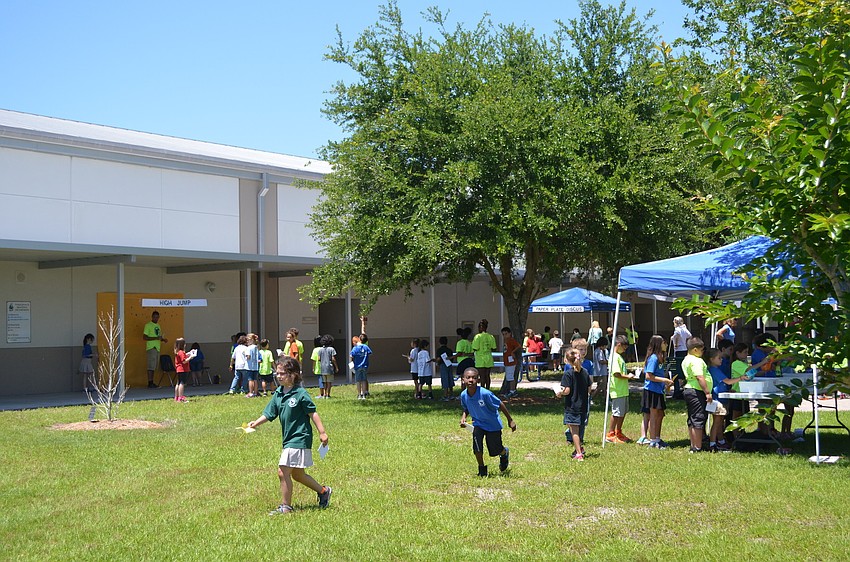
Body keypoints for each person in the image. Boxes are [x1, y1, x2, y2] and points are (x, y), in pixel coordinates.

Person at [247, 357, 331, 515]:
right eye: (277, 373)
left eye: (282, 373)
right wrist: (256, 423)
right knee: (298, 475)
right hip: (288, 439)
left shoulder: (300, 393)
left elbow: (313, 413)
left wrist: (322, 432)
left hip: (300, 437)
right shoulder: (279, 393)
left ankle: (286, 507)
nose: (278, 376)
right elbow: (269, 413)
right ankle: (324, 491)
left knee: (282, 471)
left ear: (293, 375)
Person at [459, 367, 516, 477]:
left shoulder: (485, 394)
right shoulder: (463, 395)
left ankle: (504, 453)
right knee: (477, 447)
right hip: (478, 424)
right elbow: (466, 408)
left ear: (478, 380)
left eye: (474, 378)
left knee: (495, 450)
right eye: (468, 377)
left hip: (492, 425)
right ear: (463, 379)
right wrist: (463, 417)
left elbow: (500, 404)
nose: (471, 380)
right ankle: (482, 470)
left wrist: (510, 420)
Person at [556, 346, 592, 461]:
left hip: (572, 406)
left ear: (566, 360)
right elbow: (589, 388)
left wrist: (560, 393)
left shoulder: (568, 374)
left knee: (574, 431)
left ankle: (579, 454)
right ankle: (579, 448)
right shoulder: (585, 372)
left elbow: (567, 391)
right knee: (579, 429)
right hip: (583, 405)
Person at [706, 348, 744, 452]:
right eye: (719, 358)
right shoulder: (714, 370)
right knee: (717, 422)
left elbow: (722, 384)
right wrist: (740, 378)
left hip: (721, 398)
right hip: (717, 400)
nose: (721, 360)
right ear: (712, 359)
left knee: (719, 422)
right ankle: (713, 443)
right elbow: (728, 381)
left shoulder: (715, 369)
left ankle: (721, 441)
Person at [639, 335, 674, 449]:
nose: (666, 345)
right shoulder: (653, 358)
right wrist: (664, 380)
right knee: (653, 415)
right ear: (658, 344)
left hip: (659, 390)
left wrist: (666, 383)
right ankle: (653, 441)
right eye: (664, 343)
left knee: (660, 414)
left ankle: (657, 438)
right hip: (651, 390)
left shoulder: (660, 358)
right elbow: (648, 376)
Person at [682, 337, 712, 453]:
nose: (703, 352)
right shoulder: (696, 361)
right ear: (695, 350)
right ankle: (697, 447)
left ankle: (693, 444)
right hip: (697, 391)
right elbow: (699, 377)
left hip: (689, 390)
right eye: (702, 350)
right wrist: (707, 392)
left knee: (692, 418)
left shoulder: (686, 359)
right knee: (698, 418)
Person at [606, 335, 636, 444]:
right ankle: (610, 434)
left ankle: (618, 432)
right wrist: (628, 376)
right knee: (617, 413)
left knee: (622, 412)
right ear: (618, 345)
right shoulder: (614, 357)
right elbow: (616, 374)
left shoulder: (619, 356)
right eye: (624, 348)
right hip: (617, 390)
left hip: (623, 389)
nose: (624, 350)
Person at [143, 310, 167, 388]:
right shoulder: (148, 325)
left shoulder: (158, 326)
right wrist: (155, 338)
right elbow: (145, 337)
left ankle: (152, 382)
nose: (156, 318)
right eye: (154, 317)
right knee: (150, 366)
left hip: (157, 348)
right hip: (151, 347)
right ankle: (150, 382)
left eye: (157, 317)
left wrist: (163, 339)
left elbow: (158, 337)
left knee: (154, 366)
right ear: (152, 317)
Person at [472, 319, 497, 390]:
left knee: (482, 376)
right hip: (488, 358)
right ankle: (488, 389)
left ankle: (482, 390)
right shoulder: (491, 336)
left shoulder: (477, 336)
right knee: (487, 375)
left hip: (480, 358)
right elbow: (494, 348)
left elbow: (475, 348)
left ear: (480, 327)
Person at [670, 316, 692, 399]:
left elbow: (677, 335)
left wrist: (675, 343)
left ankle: (676, 391)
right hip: (684, 349)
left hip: (678, 350)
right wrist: (685, 342)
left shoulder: (677, 329)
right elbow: (690, 335)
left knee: (677, 370)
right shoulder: (684, 329)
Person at [500, 327, 522, 398]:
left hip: (511, 361)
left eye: (506, 334)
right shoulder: (506, 341)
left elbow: (518, 346)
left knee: (510, 377)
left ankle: (513, 391)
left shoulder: (511, 340)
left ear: (510, 333)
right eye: (503, 334)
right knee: (509, 377)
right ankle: (510, 390)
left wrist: (512, 352)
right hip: (507, 361)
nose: (505, 336)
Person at [351, 333, 372, 400]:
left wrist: (351, 364)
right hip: (365, 366)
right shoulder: (366, 347)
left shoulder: (355, 348)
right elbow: (370, 353)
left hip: (357, 366)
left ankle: (359, 395)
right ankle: (364, 395)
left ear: (359, 339)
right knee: (364, 380)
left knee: (358, 381)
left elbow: (351, 356)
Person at [434, 336, 455, 401]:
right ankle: (451, 394)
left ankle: (445, 395)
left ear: (440, 342)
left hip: (443, 365)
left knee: (445, 379)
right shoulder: (449, 350)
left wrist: (435, 361)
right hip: (449, 365)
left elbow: (438, 359)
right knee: (450, 378)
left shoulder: (439, 350)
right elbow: (451, 358)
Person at [317, 334, 338, 399]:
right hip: (329, 367)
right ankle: (328, 394)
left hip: (323, 368)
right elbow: (333, 359)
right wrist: (336, 367)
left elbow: (319, 359)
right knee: (329, 382)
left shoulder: (320, 350)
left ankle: (324, 394)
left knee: (324, 382)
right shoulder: (331, 349)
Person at [591, 336, 609, 402]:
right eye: (605, 346)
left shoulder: (599, 351)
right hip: (601, 372)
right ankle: (591, 398)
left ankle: (606, 400)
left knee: (605, 387)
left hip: (602, 371)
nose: (605, 347)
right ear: (602, 345)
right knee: (600, 387)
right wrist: (609, 362)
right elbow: (601, 361)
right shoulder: (599, 351)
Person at [173, 338, 190, 402]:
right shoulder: (181, 352)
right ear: (183, 345)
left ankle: (176, 397)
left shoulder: (178, 352)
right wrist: (190, 357)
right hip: (183, 369)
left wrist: (187, 355)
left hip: (178, 369)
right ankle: (181, 397)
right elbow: (184, 361)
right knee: (182, 383)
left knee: (178, 383)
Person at [244, 333, 260, 398]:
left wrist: (245, 355)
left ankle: (250, 392)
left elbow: (248, 356)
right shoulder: (256, 347)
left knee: (250, 380)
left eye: (248, 340)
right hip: (256, 366)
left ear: (252, 340)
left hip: (249, 366)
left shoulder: (248, 348)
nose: (247, 341)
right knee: (255, 380)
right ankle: (255, 392)